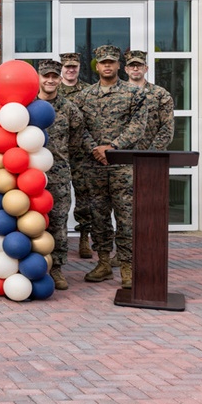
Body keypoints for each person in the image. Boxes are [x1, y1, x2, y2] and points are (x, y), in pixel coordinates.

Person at [73, 45, 148, 289]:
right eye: (103, 61)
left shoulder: (133, 94)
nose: (107, 65)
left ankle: (126, 266)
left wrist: (112, 147)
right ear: (96, 65)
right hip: (94, 165)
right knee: (98, 216)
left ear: (118, 65)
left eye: (111, 62)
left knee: (126, 216)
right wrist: (96, 149)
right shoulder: (84, 96)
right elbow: (78, 128)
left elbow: (138, 126)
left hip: (122, 165)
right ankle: (104, 262)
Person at [35, 60, 86, 290]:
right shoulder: (27, 107)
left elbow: (75, 142)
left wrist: (60, 161)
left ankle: (56, 269)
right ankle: (32, 267)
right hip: (30, 175)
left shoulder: (69, 109)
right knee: (30, 223)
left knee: (58, 223)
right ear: (38, 77)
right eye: (46, 76)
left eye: (55, 76)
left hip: (58, 176)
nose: (50, 80)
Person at [60, 52, 94, 259]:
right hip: (60, 153)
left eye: (74, 66)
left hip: (81, 154)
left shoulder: (89, 92)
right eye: (67, 66)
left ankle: (84, 237)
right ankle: (59, 238)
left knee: (84, 197)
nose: (71, 70)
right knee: (60, 198)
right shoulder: (51, 89)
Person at [125, 50, 175, 151]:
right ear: (126, 69)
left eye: (139, 65)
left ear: (146, 68)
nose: (135, 68)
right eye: (132, 66)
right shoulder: (117, 94)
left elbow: (167, 127)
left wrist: (152, 152)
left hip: (153, 155)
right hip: (123, 156)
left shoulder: (160, 94)